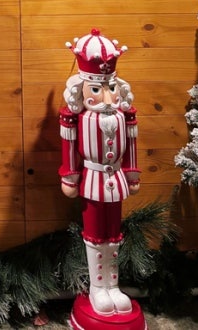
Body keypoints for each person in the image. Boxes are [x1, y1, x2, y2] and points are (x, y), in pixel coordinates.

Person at [58, 29, 140, 317]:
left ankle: (113, 286)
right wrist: (69, 176)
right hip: (91, 180)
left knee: (113, 233)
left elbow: (130, 147)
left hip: (116, 179)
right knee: (94, 233)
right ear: (81, 89)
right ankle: (97, 288)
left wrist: (131, 174)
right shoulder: (75, 118)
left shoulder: (123, 116)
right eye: (97, 89)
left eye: (111, 88)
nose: (107, 96)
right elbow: (69, 148)